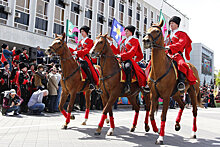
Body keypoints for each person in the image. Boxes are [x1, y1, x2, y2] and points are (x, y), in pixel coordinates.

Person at [110, 25, 147, 93]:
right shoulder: (123, 41)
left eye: (127, 31)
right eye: (125, 31)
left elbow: (132, 52)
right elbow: (117, 51)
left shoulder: (134, 40)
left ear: (131, 32)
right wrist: (111, 44)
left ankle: (128, 85)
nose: (125, 32)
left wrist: (122, 56)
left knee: (127, 67)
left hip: (128, 59)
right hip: (120, 60)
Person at [165, 16, 197, 93]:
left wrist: (169, 46)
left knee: (181, 64)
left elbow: (181, 44)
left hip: (177, 55)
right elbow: (164, 44)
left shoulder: (182, 34)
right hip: (168, 55)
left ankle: (181, 82)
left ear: (177, 25)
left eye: (173, 23)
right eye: (170, 23)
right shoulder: (168, 36)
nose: (171, 25)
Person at [69, 26, 100, 93]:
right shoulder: (80, 42)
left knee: (84, 66)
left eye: (83, 31)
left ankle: (91, 82)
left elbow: (87, 50)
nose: (82, 33)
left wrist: (77, 52)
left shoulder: (90, 41)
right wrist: (70, 50)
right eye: (81, 32)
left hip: (85, 59)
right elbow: (76, 50)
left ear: (86, 32)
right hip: (78, 59)